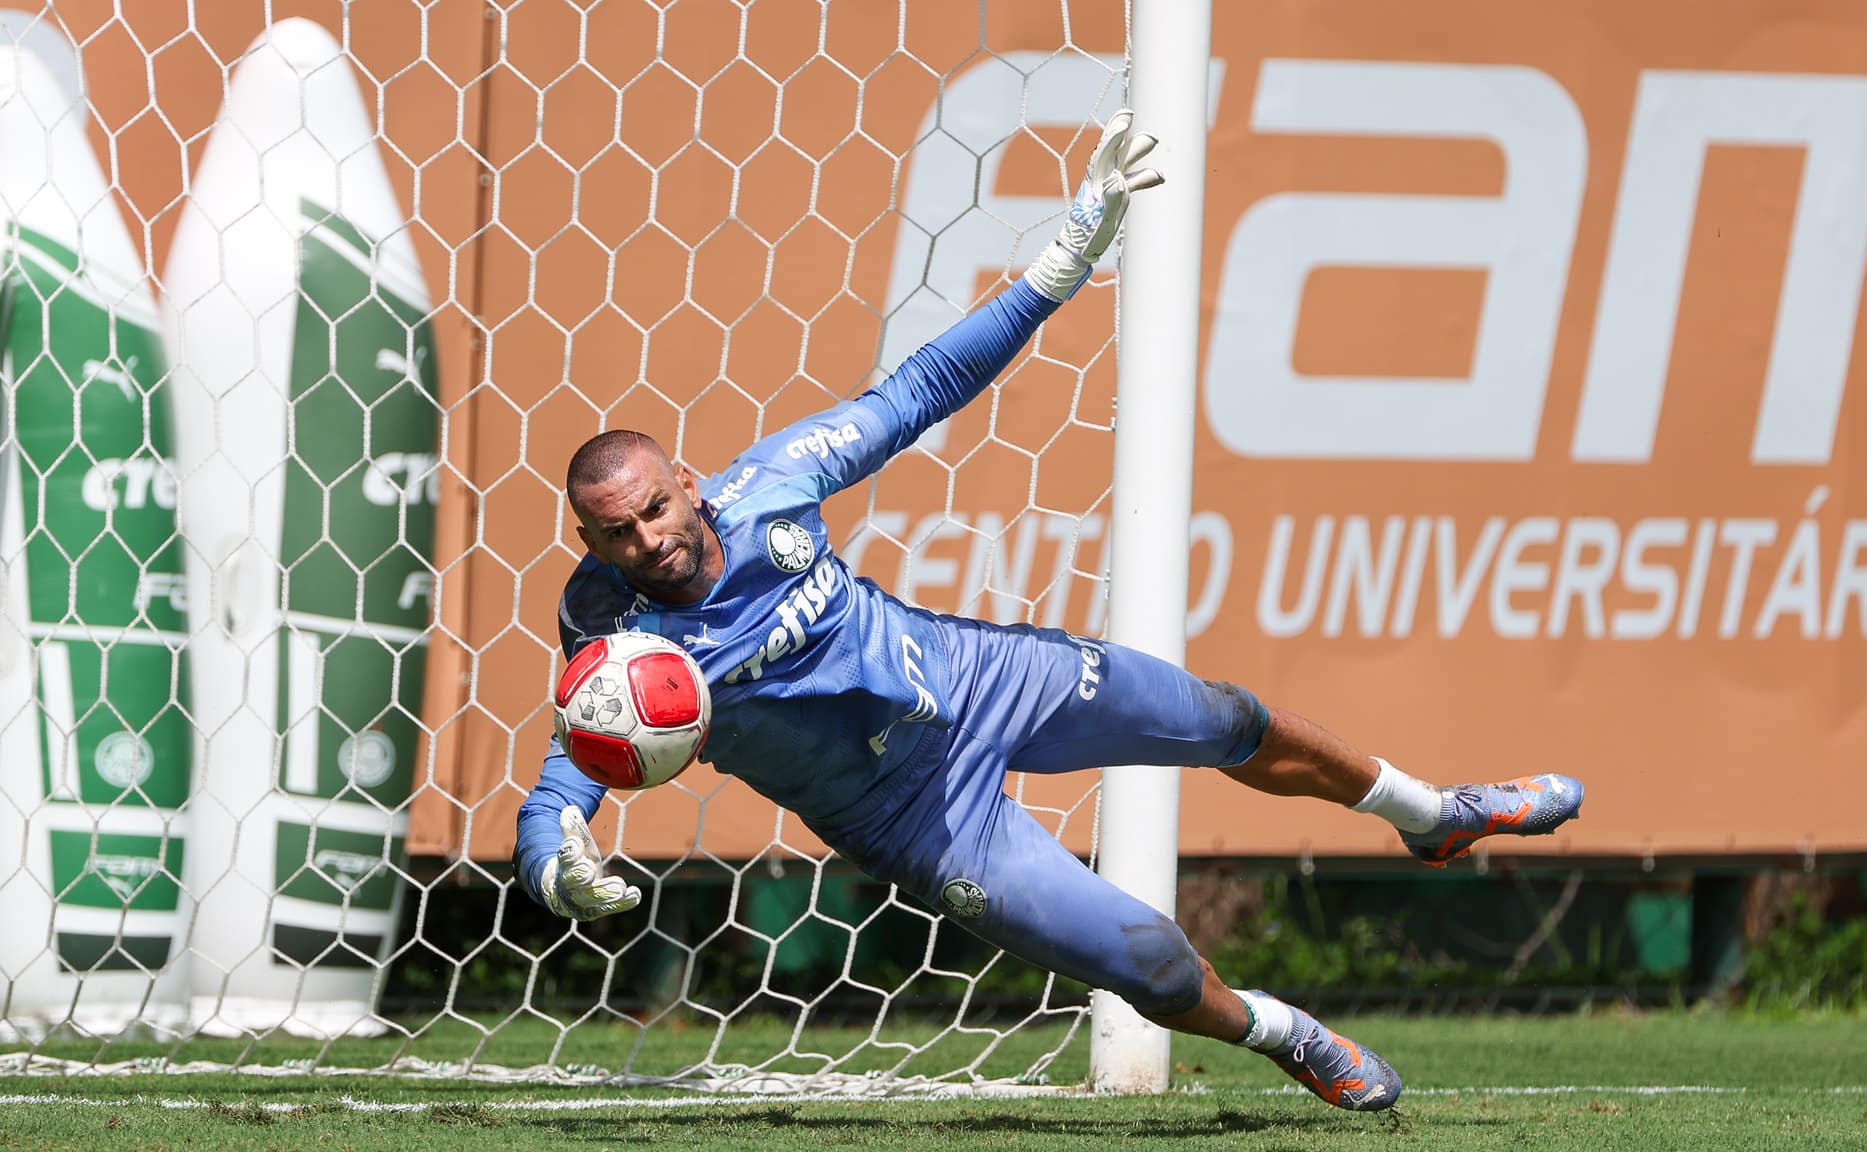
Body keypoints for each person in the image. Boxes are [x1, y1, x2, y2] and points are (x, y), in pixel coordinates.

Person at [515, 111, 1585, 1112]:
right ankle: (1279, 1032)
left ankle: (1430, 817)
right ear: (589, 540)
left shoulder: (774, 485)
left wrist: (1060, 261)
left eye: (654, 508)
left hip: (976, 676)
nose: (645, 540)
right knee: (1149, 963)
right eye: (615, 532)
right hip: (916, 819)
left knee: (1220, 716)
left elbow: (915, 392)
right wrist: (554, 861)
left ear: (688, 483)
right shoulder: (610, 632)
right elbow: (572, 766)